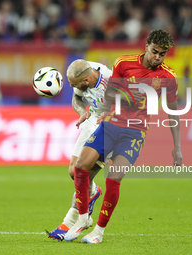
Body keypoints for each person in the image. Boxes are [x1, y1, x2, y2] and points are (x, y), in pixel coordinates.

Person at [64, 30, 183, 243]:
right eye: (155, 51)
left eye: (162, 54)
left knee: (114, 178)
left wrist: (177, 147)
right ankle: (83, 218)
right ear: (146, 46)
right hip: (110, 125)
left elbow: (172, 111)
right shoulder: (123, 63)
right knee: (80, 168)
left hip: (135, 132)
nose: (158, 57)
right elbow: (111, 93)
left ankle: (98, 232)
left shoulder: (168, 77)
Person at [47, 59, 112, 240]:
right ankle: (94, 191)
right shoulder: (81, 72)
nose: (70, 86)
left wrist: (113, 112)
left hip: (110, 124)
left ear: (86, 81)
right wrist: (82, 111)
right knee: (73, 171)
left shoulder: (110, 80)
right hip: (92, 119)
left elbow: (130, 101)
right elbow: (76, 98)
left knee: (85, 173)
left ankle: (70, 221)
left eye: (73, 84)